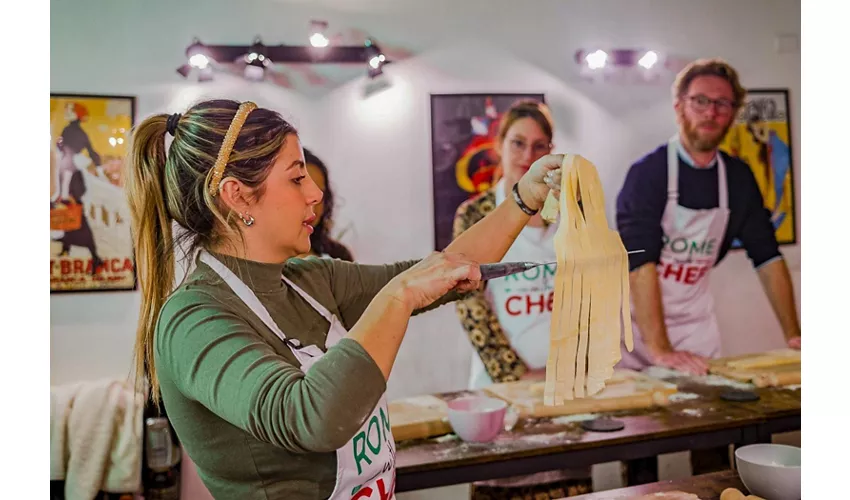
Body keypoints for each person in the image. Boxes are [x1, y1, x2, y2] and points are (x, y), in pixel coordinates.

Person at [124, 98, 564, 500]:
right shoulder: (193, 321)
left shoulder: (309, 279)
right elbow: (310, 417)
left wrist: (524, 198)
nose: (315, 193)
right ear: (237, 196)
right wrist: (399, 298)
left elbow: (448, 270)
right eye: (296, 179)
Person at [614, 58, 801, 480]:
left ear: (733, 114)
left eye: (722, 103)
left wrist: (795, 333)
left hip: (696, 328)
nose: (711, 112)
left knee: (711, 437)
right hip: (640, 331)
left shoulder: (737, 178)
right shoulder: (647, 174)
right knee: (643, 448)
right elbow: (639, 264)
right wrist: (660, 349)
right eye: (701, 101)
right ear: (680, 105)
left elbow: (768, 257)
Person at [452, 99, 593, 498]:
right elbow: (472, 310)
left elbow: (585, 299)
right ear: (499, 145)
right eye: (517, 143)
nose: (527, 156)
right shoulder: (475, 213)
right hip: (500, 393)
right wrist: (519, 377)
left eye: (539, 146)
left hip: (565, 390)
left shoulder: (571, 214)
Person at [300, 148, 355, 261]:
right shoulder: (258, 264)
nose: (313, 206)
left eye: (320, 196)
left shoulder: (338, 256)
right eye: (303, 194)